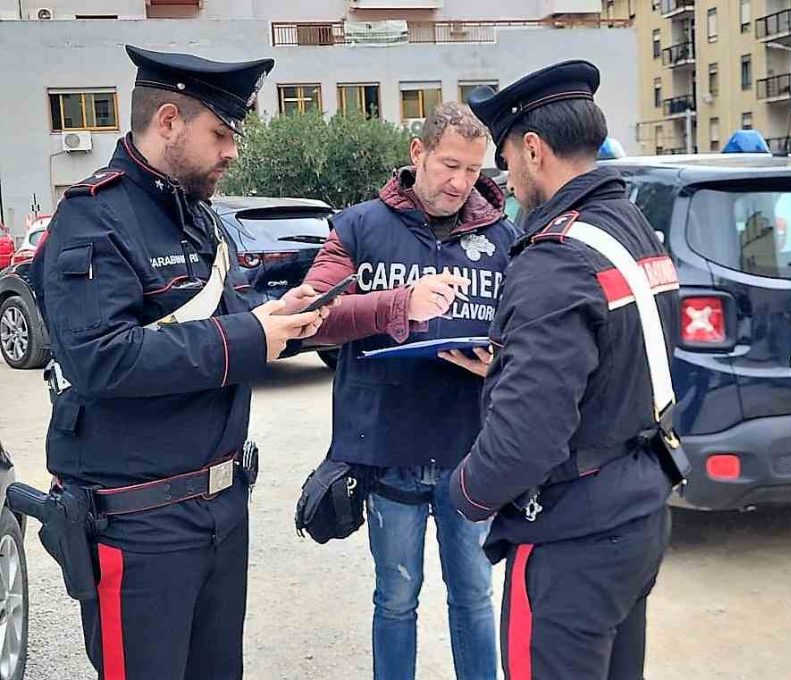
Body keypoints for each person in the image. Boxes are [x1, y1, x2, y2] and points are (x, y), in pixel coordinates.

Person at [31, 45, 328, 680]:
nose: (232, 152)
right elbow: (99, 358)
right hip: (140, 523)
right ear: (168, 121)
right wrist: (247, 338)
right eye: (220, 133)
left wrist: (284, 316)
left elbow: (227, 320)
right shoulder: (93, 217)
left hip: (221, 508)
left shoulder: (197, 218)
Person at [445, 60, 682, 679]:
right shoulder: (630, 225)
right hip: (638, 509)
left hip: (572, 536)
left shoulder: (554, 258)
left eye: (505, 159)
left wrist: (466, 490)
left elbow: (525, 440)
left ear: (533, 149)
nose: (505, 177)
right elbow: (620, 358)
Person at [302, 101, 518, 680]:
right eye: (449, 165)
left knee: (474, 597)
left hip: (469, 450)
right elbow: (311, 317)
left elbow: (530, 334)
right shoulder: (358, 228)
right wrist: (399, 303)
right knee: (395, 598)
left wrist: (498, 365)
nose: (460, 183)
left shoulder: (504, 239)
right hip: (388, 448)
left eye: (472, 170)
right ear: (417, 153)